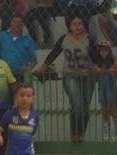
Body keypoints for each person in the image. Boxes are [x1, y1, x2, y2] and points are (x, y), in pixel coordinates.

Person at [37, 15, 98, 143]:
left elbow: (96, 57)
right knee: (77, 104)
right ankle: (74, 133)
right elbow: (54, 52)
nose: (77, 26)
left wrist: (98, 68)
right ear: (69, 26)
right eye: (74, 24)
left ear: (83, 25)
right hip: (70, 76)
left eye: (79, 23)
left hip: (88, 76)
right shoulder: (64, 38)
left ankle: (80, 133)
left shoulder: (89, 39)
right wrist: (43, 67)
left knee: (85, 107)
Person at [0, 14, 38, 82]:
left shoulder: (28, 39)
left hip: (23, 76)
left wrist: (28, 69)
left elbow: (34, 60)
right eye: (14, 22)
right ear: (10, 23)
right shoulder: (2, 36)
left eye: (19, 22)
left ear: (23, 25)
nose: (17, 24)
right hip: (5, 75)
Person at [93, 41, 117, 141]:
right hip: (102, 88)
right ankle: (106, 132)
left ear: (109, 50)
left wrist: (103, 70)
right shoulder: (97, 61)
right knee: (104, 110)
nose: (103, 52)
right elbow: (95, 70)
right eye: (101, 50)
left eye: (105, 49)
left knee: (113, 109)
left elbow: (116, 70)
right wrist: (104, 70)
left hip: (111, 88)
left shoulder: (113, 60)